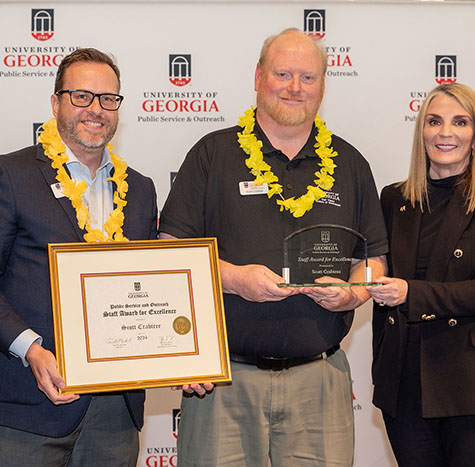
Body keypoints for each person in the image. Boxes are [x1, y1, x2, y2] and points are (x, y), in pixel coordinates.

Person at [159, 28, 388, 466]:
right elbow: (169, 254)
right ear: (259, 76)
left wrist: (354, 293)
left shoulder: (351, 164)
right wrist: (234, 279)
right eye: (283, 74)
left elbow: (373, 261)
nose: (294, 87)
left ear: (322, 84)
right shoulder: (213, 154)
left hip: (319, 382)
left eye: (307, 77)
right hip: (223, 384)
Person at [0, 48, 158, 466]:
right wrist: (31, 349)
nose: (96, 109)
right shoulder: (9, 175)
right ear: (56, 102)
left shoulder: (141, 190)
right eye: (81, 96)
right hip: (32, 395)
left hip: (116, 407)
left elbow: (150, 283)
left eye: (108, 99)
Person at [367, 82, 475, 467]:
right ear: (421, 132)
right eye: (434, 121)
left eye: (459, 122)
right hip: (406, 389)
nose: (446, 132)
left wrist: (410, 293)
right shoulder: (394, 199)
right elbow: (378, 286)